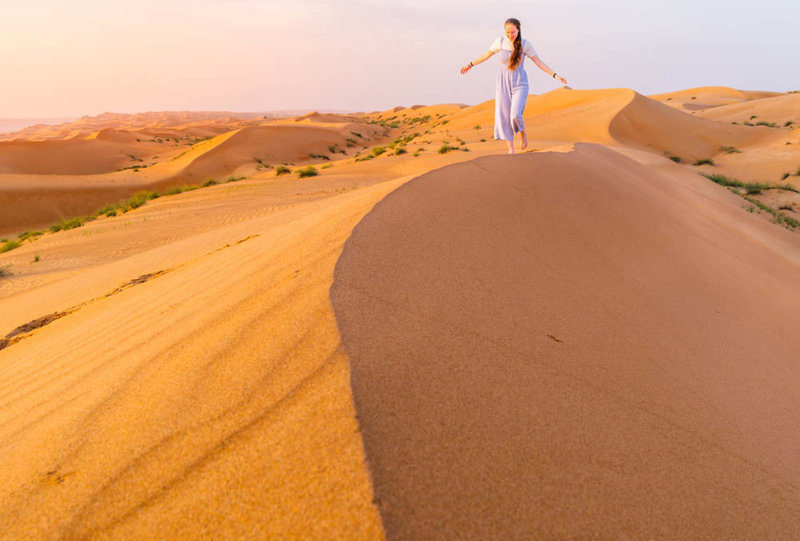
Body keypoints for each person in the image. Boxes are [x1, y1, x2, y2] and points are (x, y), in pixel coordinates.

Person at [460, 18, 568, 154]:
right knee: (504, 116)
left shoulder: (525, 44)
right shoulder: (500, 42)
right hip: (503, 83)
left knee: (515, 115)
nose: (511, 35)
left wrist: (555, 75)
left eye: (513, 32)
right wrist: (470, 65)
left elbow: (538, 62)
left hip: (520, 83)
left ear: (518, 30)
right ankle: (511, 151)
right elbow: (486, 55)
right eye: (508, 32)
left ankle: (523, 133)